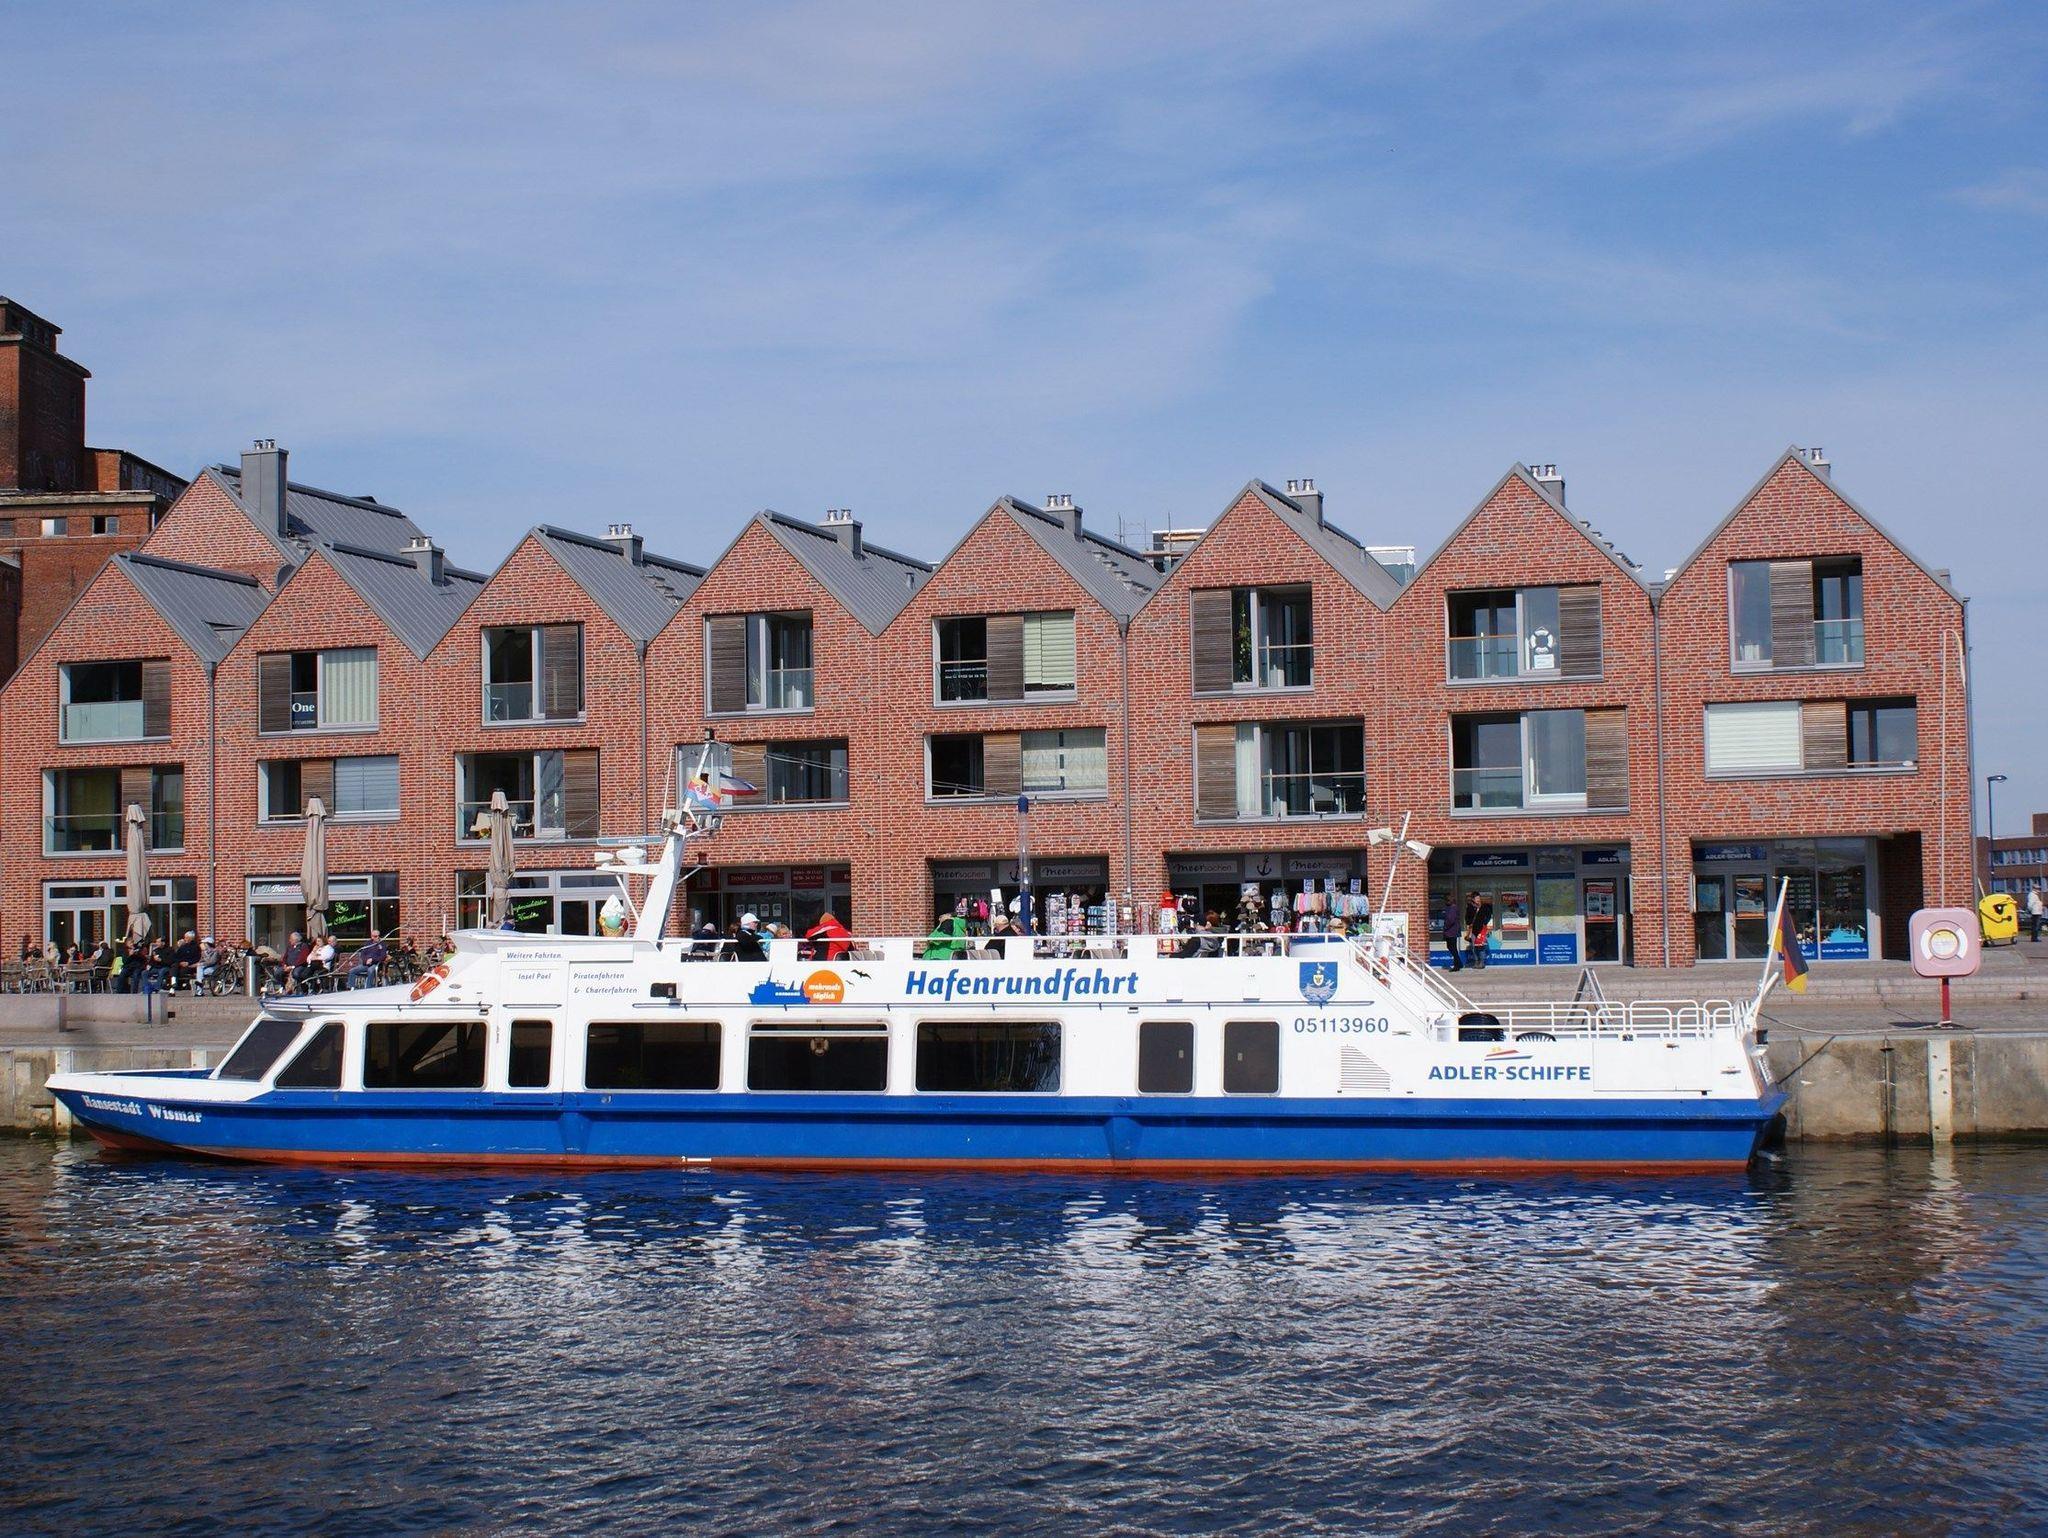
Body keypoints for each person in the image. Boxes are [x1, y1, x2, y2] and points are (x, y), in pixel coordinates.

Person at [1437, 896, 1464, 972]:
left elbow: (1450, 920)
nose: (1446, 902)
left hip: (1451, 932)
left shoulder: (1453, 908)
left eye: (1447, 901)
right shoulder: (1451, 908)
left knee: (1452, 948)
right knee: (1451, 947)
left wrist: (1445, 927)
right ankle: (1459, 963)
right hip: (1451, 931)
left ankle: (1457, 965)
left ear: (1450, 901)